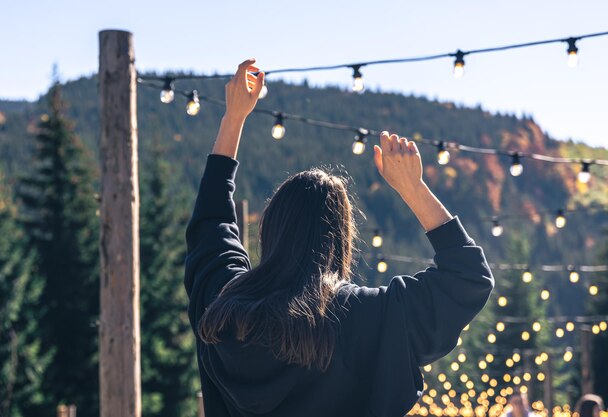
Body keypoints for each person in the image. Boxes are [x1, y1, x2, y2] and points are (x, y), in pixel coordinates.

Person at [183, 58, 494, 417]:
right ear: (340, 239)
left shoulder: (223, 311)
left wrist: (233, 119)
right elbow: (468, 277)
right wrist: (412, 188)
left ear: (270, 229)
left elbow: (211, 222)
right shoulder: (364, 318)